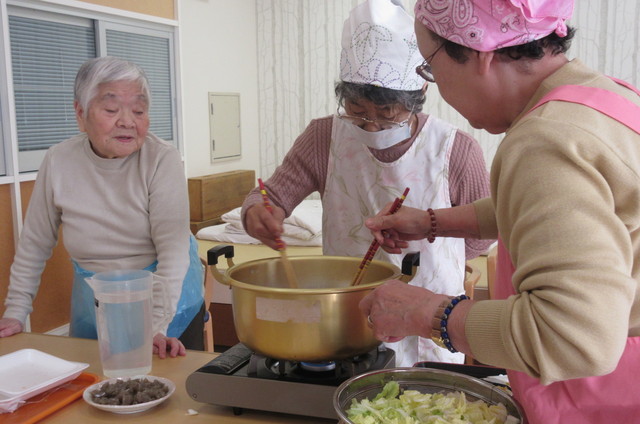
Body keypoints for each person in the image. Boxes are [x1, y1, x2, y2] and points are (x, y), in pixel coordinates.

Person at [361, 1, 640, 424]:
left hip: (610, 414)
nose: (437, 86)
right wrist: (431, 221)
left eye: (431, 67)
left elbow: (572, 339)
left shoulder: (544, 140)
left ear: (480, 53)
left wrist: (424, 312)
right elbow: (549, 210)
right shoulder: (602, 97)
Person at [241, 0, 493, 367]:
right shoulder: (324, 136)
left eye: (387, 114)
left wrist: (433, 245)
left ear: (420, 95)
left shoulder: (454, 149)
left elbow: (480, 238)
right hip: (343, 320)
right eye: (357, 112)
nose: (371, 126)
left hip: (427, 322)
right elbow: (271, 195)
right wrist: (258, 212)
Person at [0, 56, 205, 357]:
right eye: (111, 110)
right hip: (94, 297)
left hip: (165, 297)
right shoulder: (59, 160)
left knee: (166, 389)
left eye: (139, 110)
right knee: (93, 384)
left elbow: (173, 253)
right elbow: (34, 243)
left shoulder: (161, 159)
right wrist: (15, 312)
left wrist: (156, 325)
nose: (127, 121)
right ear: (80, 114)